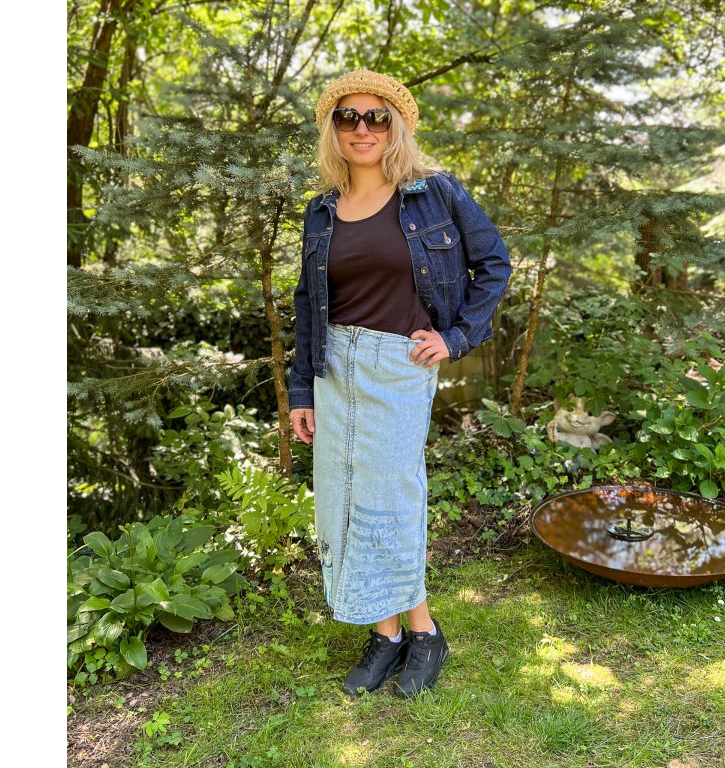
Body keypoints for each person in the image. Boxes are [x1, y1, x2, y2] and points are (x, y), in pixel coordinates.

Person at [288, 69, 511, 698]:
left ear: (396, 127)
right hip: (335, 366)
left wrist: (455, 338)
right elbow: (307, 302)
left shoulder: (434, 193)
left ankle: (424, 631)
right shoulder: (321, 211)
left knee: (391, 498)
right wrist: (301, 390)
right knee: (345, 499)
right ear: (333, 130)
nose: (362, 128)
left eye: (376, 117)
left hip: (398, 363)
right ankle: (385, 635)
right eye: (348, 117)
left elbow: (494, 263)